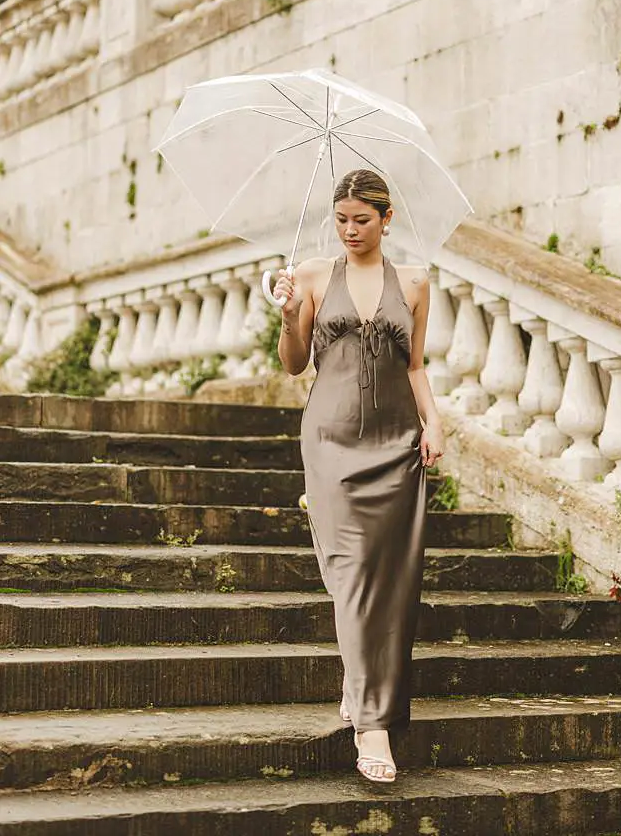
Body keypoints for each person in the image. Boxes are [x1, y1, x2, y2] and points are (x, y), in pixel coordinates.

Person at [272, 168, 444, 785]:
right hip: (331, 441)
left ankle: (359, 681)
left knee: (391, 579)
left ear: (386, 219)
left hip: (396, 442)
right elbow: (295, 365)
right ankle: (372, 725)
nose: (349, 230)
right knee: (349, 573)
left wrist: (433, 424)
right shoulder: (315, 276)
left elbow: (416, 365)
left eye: (361, 221)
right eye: (342, 219)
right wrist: (290, 314)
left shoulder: (417, 283)